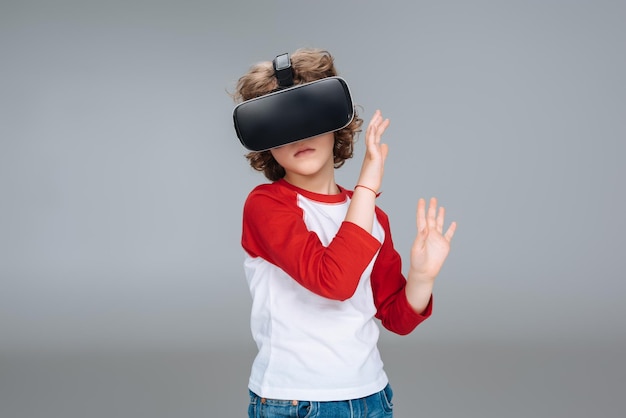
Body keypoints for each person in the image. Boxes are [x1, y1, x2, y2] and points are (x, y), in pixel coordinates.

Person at [233, 48, 457, 418]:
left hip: (371, 396)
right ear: (266, 143)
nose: (297, 136)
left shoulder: (374, 219)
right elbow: (333, 281)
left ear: (334, 125)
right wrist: (368, 184)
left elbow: (396, 317)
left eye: (309, 119)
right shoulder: (266, 206)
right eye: (281, 127)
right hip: (293, 400)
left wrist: (421, 278)